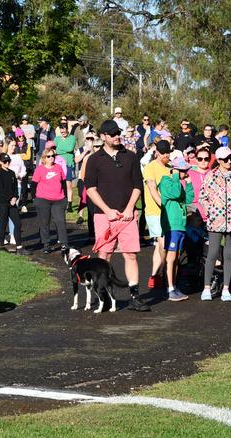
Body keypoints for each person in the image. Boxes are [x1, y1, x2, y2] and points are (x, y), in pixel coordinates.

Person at [84, 119, 149, 312]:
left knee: (130, 255)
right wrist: (107, 210)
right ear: (103, 136)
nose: (117, 136)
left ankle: (135, 297)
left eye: (118, 133)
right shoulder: (94, 159)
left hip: (127, 215)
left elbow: (138, 184)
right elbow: (90, 189)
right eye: (112, 134)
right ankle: (104, 297)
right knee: (104, 255)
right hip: (104, 215)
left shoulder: (130, 156)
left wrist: (130, 208)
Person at [199, 146, 231, 302]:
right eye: (226, 159)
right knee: (213, 253)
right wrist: (210, 210)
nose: (229, 161)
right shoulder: (211, 176)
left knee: (228, 254)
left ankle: (226, 289)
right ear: (219, 161)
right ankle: (206, 288)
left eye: (230, 158)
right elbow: (202, 196)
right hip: (216, 220)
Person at [159, 158, 194, 301]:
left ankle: (174, 285)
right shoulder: (166, 182)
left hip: (180, 226)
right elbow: (173, 193)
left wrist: (189, 183)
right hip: (172, 226)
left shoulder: (178, 183)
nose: (186, 173)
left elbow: (189, 199)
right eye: (183, 171)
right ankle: (170, 288)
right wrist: (174, 175)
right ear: (175, 170)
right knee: (171, 258)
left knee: (176, 258)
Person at [142, 140, 172, 289]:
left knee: (160, 246)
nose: (166, 155)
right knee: (164, 244)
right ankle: (164, 274)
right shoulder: (150, 167)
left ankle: (154, 275)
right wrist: (163, 205)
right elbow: (152, 188)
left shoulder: (170, 168)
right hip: (155, 212)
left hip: (169, 213)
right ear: (156, 152)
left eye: (168, 152)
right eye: (163, 152)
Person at [33, 146, 69, 253]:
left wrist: (65, 197)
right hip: (43, 199)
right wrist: (35, 198)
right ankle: (46, 244)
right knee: (45, 222)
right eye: (48, 156)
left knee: (60, 221)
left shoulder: (58, 167)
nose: (51, 158)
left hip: (58, 199)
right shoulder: (39, 169)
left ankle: (64, 243)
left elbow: (63, 183)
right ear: (44, 158)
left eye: (53, 156)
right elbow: (34, 184)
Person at [0, 153, 30, 254]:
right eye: (5, 161)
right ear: (0, 162)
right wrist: (9, 198)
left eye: (8, 161)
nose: (7, 163)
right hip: (2, 203)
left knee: (18, 223)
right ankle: (2, 245)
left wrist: (15, 197)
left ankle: (19, 247)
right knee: (3, 224)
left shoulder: (12, 173)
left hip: (12, 203)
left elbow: (15, 189)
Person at [54, 124, 77, 211]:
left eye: (64, 131)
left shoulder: (72, 138)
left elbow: (70, 148)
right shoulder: (57, 139)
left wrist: (59, 150)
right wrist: (61, 150)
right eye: (61, 132)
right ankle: (60, 202)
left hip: (68, 163)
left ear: (67, 130)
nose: (63, 133)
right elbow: (54, 149)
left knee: (68, 185)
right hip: (58, 164)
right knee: (58, 184)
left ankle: (69, 205)